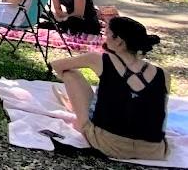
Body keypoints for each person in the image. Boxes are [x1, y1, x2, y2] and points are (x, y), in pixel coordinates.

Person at [51, 17, 169, 161]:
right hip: (154, 150)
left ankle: (76, 108)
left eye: (107, 33)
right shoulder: (163, 74)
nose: (104, 37)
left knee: (70, 73)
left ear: (119, 41)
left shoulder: (98, 59)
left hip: (109, 144)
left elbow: (57, 65)